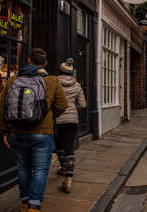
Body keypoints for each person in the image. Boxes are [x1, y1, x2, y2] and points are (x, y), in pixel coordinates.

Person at [0, 48, 68, 212]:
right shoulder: (51, 81)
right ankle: (34, 206)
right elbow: (62, 105)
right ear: (45, 63)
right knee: (41, 170)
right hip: (42, 134)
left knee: (23, 168)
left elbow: (1, 107)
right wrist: (47, 114)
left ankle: (24, 202)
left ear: (29, 61)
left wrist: (4, 131)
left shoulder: (13, 79)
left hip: (17, 132)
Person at [55, 58, 86, 194]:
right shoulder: (77, 85)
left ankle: (63, 167)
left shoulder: (55, 83)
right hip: (72, 120)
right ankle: (68, 178)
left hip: (58, 118)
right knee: (69, 147)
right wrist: (73, 108)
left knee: (59, 146)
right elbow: (83, 104)